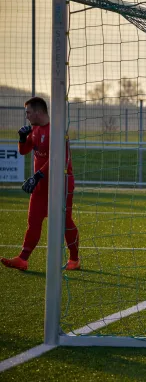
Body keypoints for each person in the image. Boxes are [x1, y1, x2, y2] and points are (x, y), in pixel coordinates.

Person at [1, 97, 80, 271]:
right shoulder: (35, 129)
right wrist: (22, 138)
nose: (27, 116)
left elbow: (58, 160)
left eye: (28, 112)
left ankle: (74, 259)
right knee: (33, 220)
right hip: (41, 183)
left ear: (38, 112)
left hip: (62, 183)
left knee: (64, 221)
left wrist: (37, 176)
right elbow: (23, 151)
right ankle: (23, 259)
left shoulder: (56, 131)